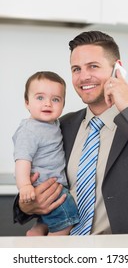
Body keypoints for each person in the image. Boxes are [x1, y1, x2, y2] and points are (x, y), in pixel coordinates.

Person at [13, 31, 128, 235]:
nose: (84, 76)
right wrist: (26, 205)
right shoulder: (59, 126)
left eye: (93, 66)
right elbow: (35, 182)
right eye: (76, 69)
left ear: (117, 69)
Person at [12, 71, 79, 236]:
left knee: (50, 217)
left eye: (55, 99)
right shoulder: (29, 129)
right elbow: (22, 160)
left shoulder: (53, 124)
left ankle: (37, 231)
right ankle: (50, 249)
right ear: (27, 102)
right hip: (46, 186)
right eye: (40, 98)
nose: (48, 104)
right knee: (66, 222)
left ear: (63, 105)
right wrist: (25, 186)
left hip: (54, 183)